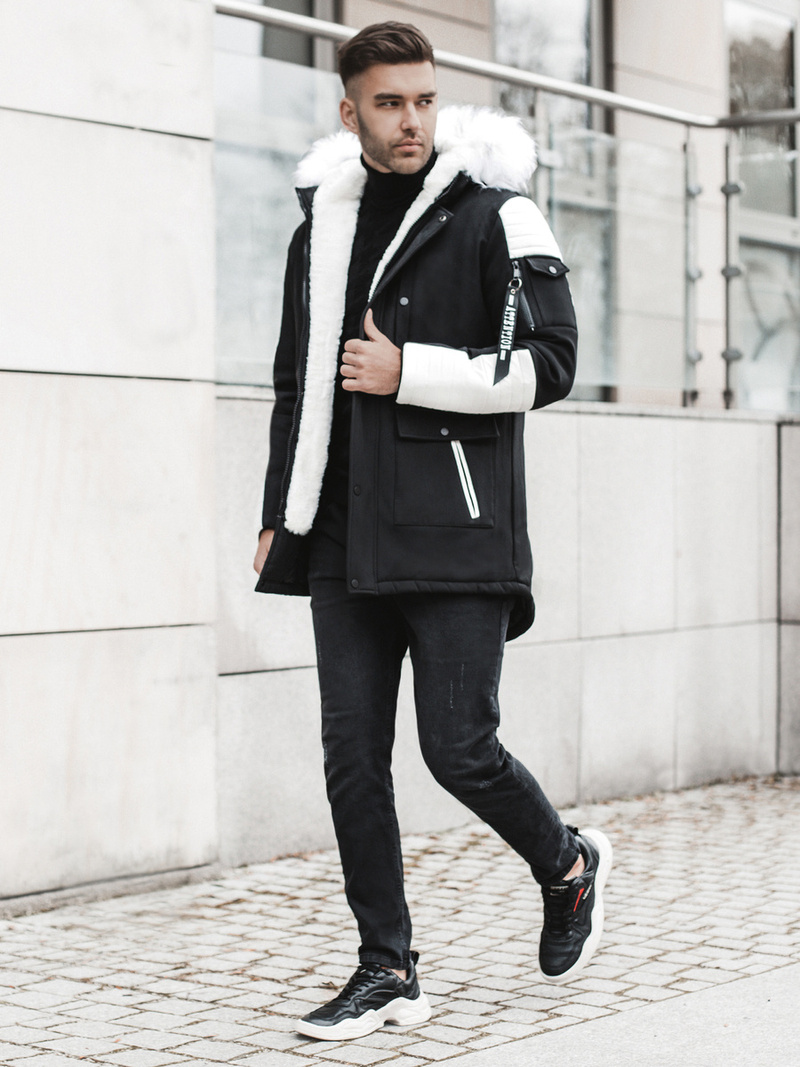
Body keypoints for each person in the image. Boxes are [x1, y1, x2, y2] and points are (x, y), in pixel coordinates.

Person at [253, 20, 612, 1043]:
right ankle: (387, 966)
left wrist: (409, 369)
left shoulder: (499, 212)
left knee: (459, 747)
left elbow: (552, 362)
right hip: (342, 532)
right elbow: (295, 382)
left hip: (456, 529)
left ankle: (567, 864)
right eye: (388, 103)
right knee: (350, 757)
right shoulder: (320, 227)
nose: (410, 120)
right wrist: (280, 512)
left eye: (422, 100)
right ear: (349, 111)